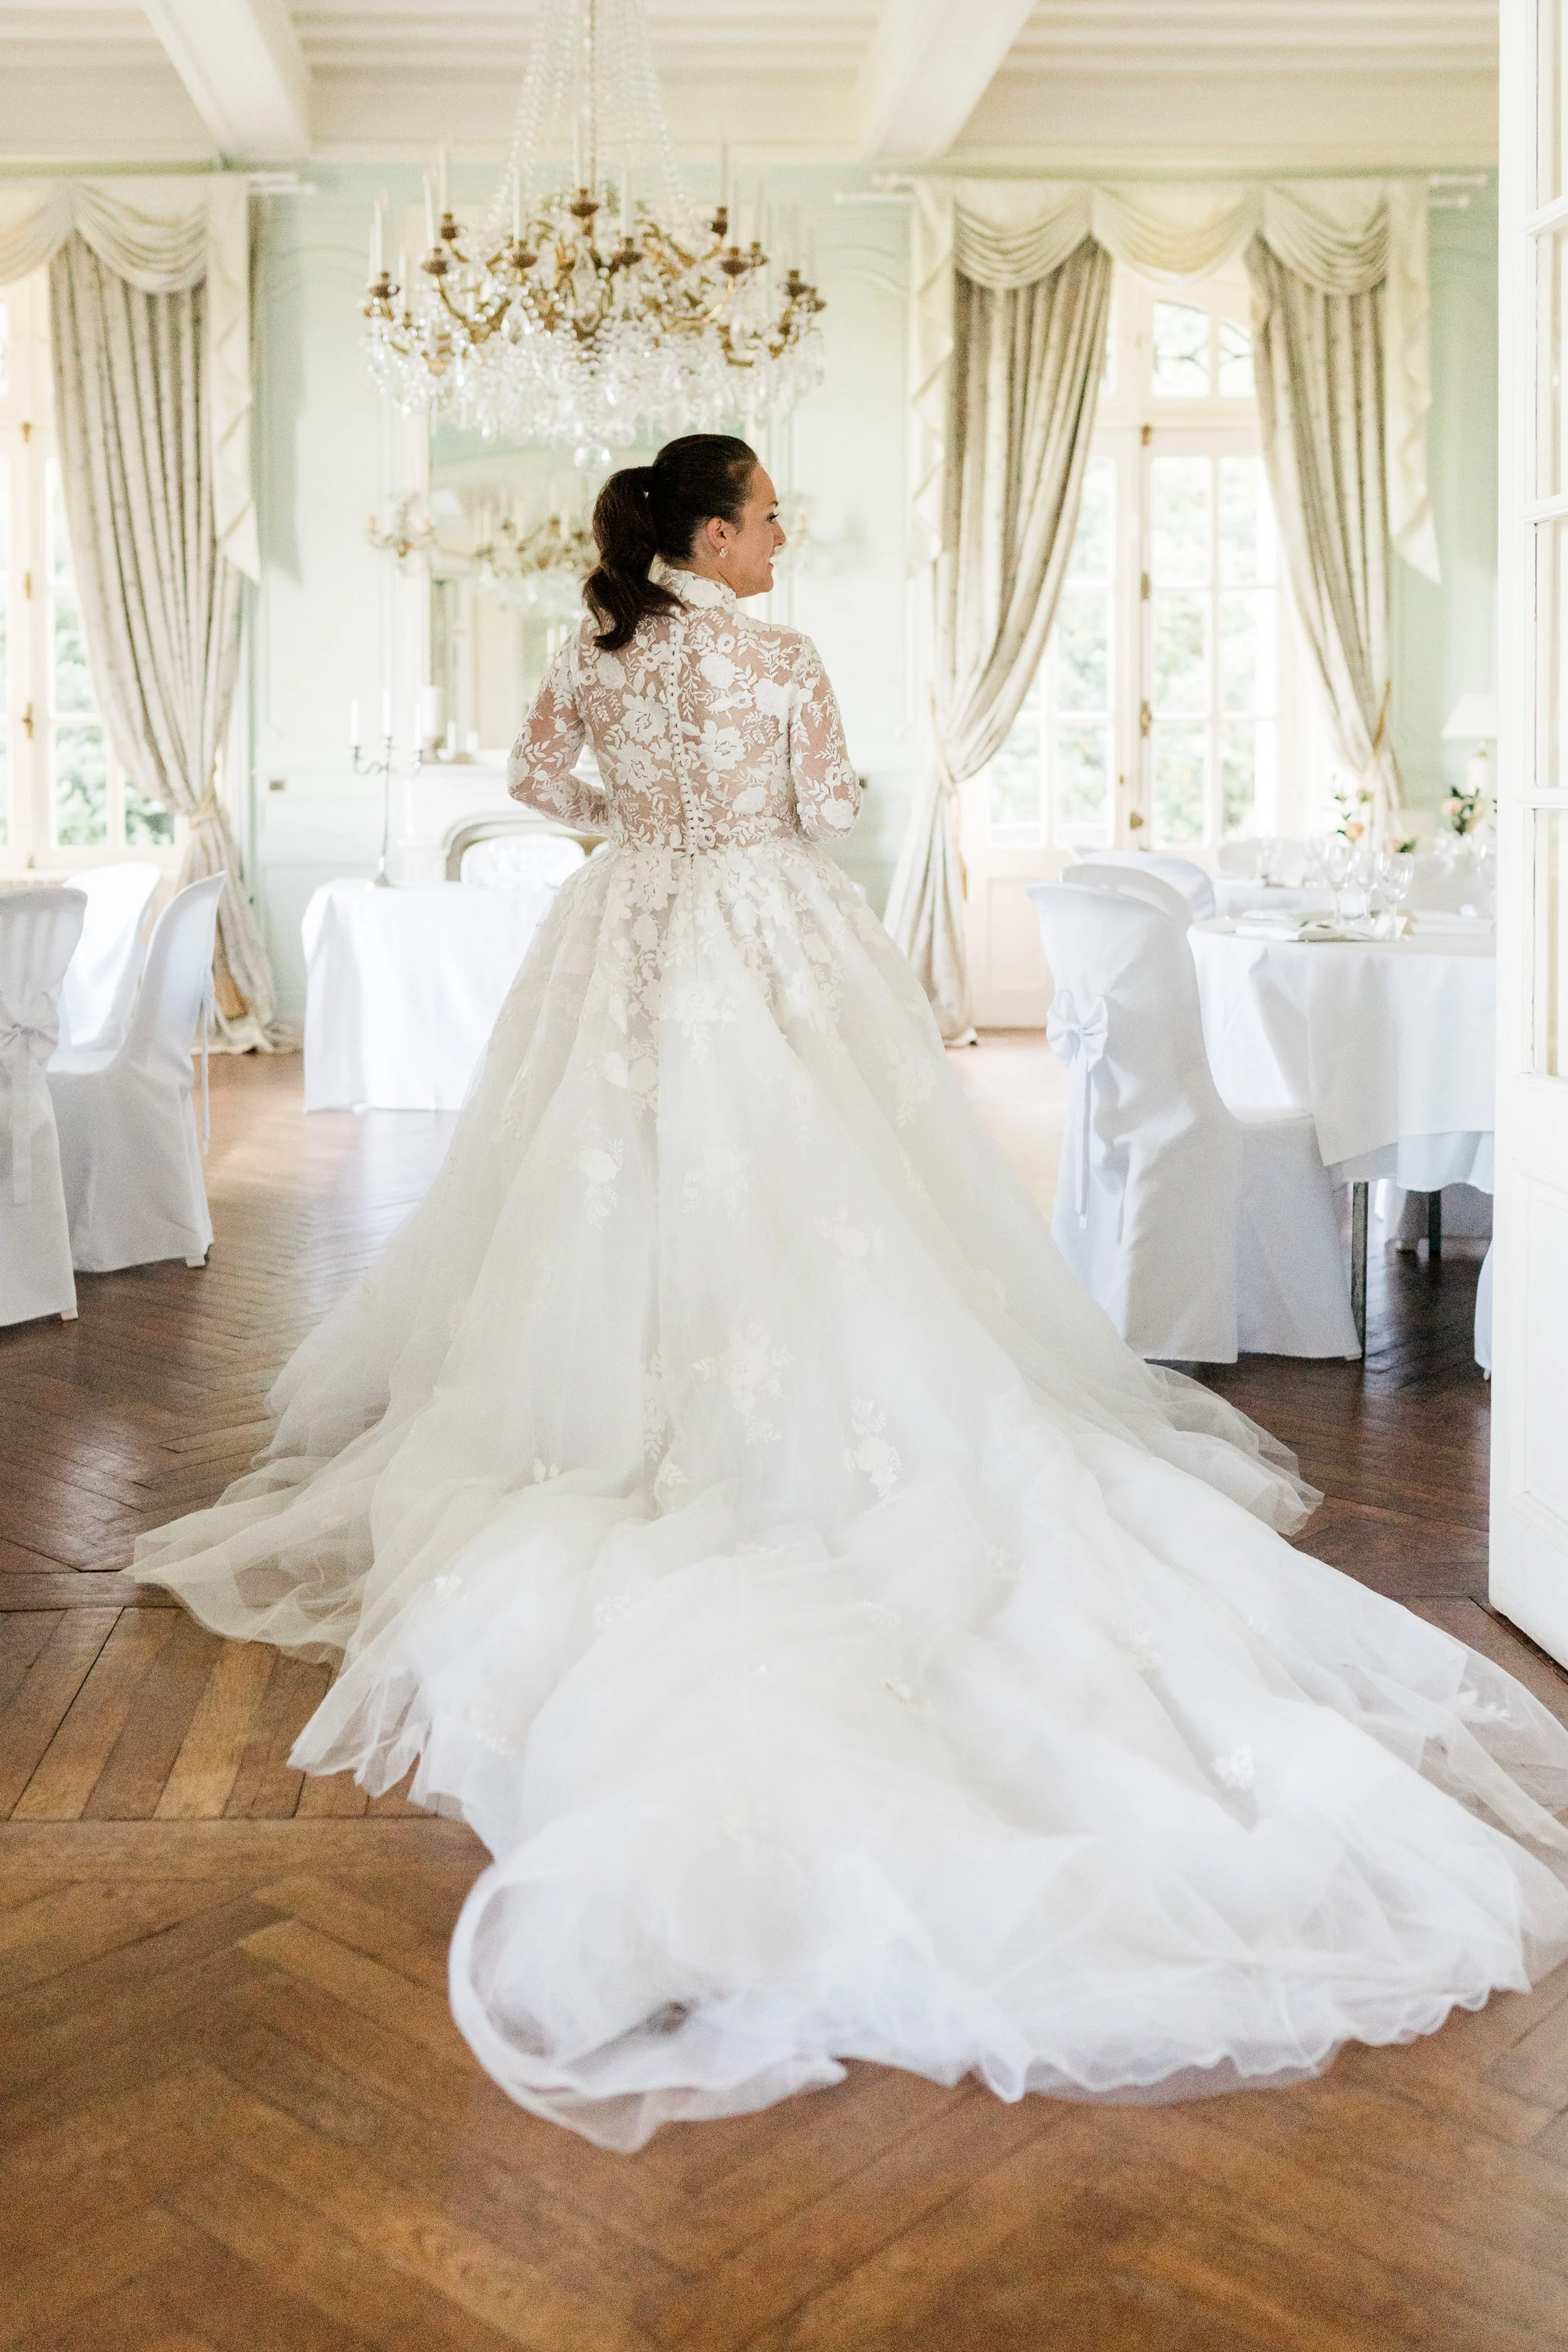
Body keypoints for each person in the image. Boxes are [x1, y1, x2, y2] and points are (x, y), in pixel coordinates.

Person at [135, 432, 1568, 2153]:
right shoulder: (780, 658)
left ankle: (616, 1409)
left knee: (603, 1190)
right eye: (765, 512)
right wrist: (734, 825)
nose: (785, 533)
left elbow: (541, 784)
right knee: (835, 1201)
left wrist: (644, 829)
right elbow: (827, 811)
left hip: (626, 931)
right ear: (716, 531)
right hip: (765, 932)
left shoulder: (597, 647)